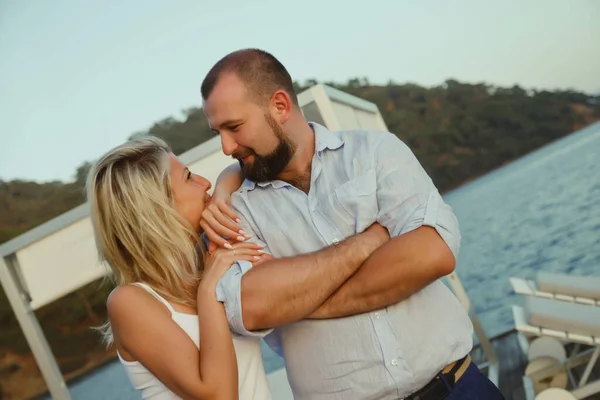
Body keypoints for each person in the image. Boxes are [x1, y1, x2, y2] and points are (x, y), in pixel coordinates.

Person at [198, 48, 506, 400]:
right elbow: (252, 307)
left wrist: (302, 300)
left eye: (234, 127)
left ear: (280, 106)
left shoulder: (375, 152)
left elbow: (433, 253)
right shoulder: (232, 211)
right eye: (217, 132)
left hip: (460, 390)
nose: (225, 147)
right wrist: (369, 240)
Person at [87, 136, 390, 400]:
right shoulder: (131, 302)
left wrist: (221, 192)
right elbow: (219, 396)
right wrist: (208, 292)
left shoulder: (212, 255)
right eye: (189, 177)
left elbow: (238, 171)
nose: (203, 182)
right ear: (158, 209)